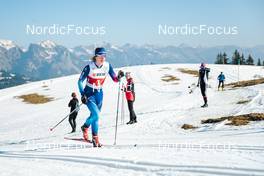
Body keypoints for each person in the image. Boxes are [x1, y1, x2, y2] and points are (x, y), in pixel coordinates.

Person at [78, 47, 124, 147]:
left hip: (99, 94)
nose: (103, 58)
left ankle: (86, 128)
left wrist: (119, 77)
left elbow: (115, 79)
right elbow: (80, 81)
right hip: (89, 94)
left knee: (95, 116)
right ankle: (95, 137)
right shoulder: (89, 67)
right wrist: (82, 94)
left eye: (104, 55)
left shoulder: (107, 66)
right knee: (97, 115)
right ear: (96, 56)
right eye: (100, 55)